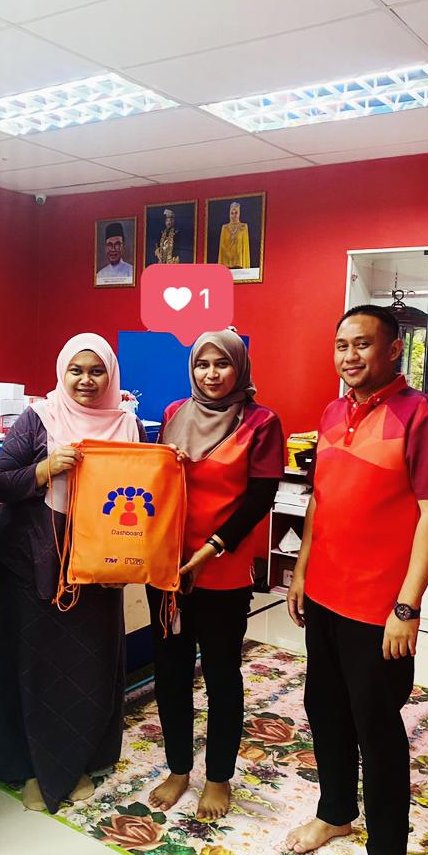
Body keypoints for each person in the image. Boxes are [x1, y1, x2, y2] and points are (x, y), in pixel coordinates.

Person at [286, 305, 428, 855]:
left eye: (362, 344)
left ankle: (389, 853)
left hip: (378, 605)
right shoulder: (331, 412)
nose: (349, 356)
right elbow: (320, 500)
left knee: (376, 725)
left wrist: (407, 606)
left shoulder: (420, 415)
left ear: (394, 349)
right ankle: (335, 813)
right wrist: (301, 571)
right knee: (323, 707)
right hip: (325, 593)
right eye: (341, 345)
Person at [0, 333, 146, 814]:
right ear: (62, 371)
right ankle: (33, 768)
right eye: (76, 370)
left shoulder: (127, 423)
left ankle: (81, 761)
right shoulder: (39, 418)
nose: (85, 380)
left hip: (99, 570)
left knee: (89, 671)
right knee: (35, 670)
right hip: (36, 568)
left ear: (111, 374)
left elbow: (143, 495)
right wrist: (44, 470)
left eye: (96, 371)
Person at [146, 330, 283, 820]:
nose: (211, 373)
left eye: (221, 363)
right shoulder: (173, 413)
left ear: (239, 367)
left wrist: (210, 550)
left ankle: (219, 776)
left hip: (222, 570)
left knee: (222, 675)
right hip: (168, 568)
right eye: (202, 364)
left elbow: (260, 497)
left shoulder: (262, 422)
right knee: (171, 671)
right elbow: (154, 484)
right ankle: (178, 768)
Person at [218, 201, 250, 270]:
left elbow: (245, 247)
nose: (234, 215)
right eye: (232, 213)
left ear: (239, 213)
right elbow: (222, 246)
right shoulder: (225, 228)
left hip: (239, 262)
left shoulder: (243, 227)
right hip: (227, 261)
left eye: (236, 213)